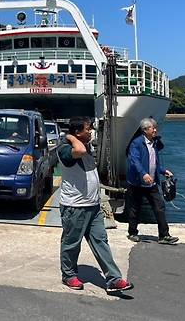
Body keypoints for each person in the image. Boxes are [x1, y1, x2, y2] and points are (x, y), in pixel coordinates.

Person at [57, 117, 133, 293]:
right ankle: (68, 275)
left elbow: (85, 149)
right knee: (71, 243)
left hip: (93, 205)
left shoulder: (88, 146)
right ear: (77, 132)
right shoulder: (66, 149)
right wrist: (70, 138)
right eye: (87, 129)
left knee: (101, 241)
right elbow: (80, 150)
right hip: (74, 206)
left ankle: (114, 279)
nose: (90, 131)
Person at [126, 118, 178, 245]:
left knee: (159, 207)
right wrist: (143, 174)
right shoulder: (136, 143)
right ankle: (132, 233)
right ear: (144, 130)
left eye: (155, 127)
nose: (155, 130)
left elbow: (153, 162)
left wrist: (162, 171)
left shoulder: (154, 143)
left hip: (152, 183)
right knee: (135, 208)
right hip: (137, 182)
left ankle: (164, 235)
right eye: (152, 128)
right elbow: (135, 161)